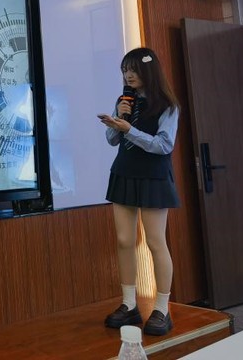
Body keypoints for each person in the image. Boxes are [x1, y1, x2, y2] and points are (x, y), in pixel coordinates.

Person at [98, 47, 180, 337]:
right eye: (124, 70)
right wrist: (118, 121)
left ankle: (162, 309)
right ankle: (129, 304)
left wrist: (129, 130)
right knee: (124, 240)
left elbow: (164, 145)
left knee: (155, 242)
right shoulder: (125, 101)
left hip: (153, 176)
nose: (128, 75)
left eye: (133, 69)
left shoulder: (168, 105)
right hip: (124, 172)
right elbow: (112, 140)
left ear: (149, 71)